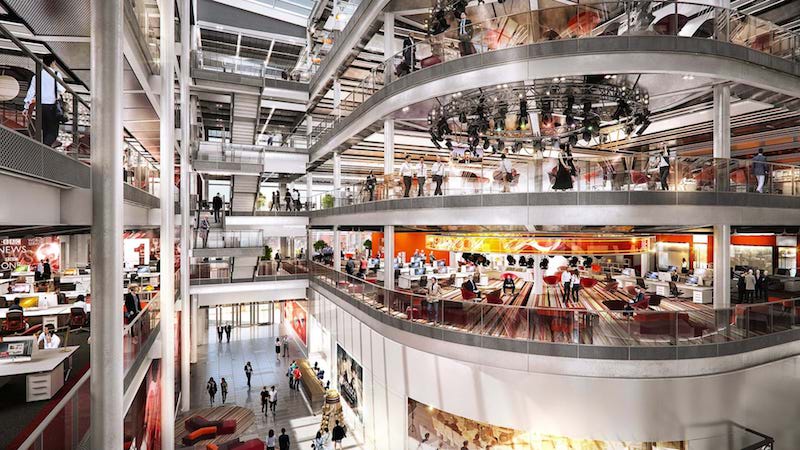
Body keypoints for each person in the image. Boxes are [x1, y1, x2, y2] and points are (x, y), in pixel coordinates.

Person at [24, 54, 65, 147]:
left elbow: (31, 92)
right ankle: (43, 149)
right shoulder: (56, 74)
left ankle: (43, 149)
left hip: (40, 107)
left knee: (44, 130)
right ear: (52, 63)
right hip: (52, 107)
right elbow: (62, 90)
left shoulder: (37, 76)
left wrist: (26, 107)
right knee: (52, 132)